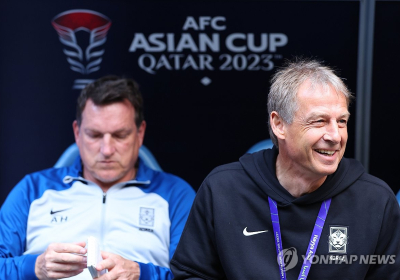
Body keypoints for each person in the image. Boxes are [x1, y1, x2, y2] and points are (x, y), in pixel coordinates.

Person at [170, 59, 400, 279]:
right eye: (319, 121)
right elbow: (191, 274)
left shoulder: (376, 200)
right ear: (279, 124)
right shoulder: (223, 189)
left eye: (341, 121)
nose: (335, 136)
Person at [0, 76, 196, 280]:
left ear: (140, 133)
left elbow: (195, 275)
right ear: (77, 133)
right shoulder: (32, 190)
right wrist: (34, 267)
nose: (107, 150)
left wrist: (142, 273)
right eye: (94, 135)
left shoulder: (175, 195)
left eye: (120, 135)